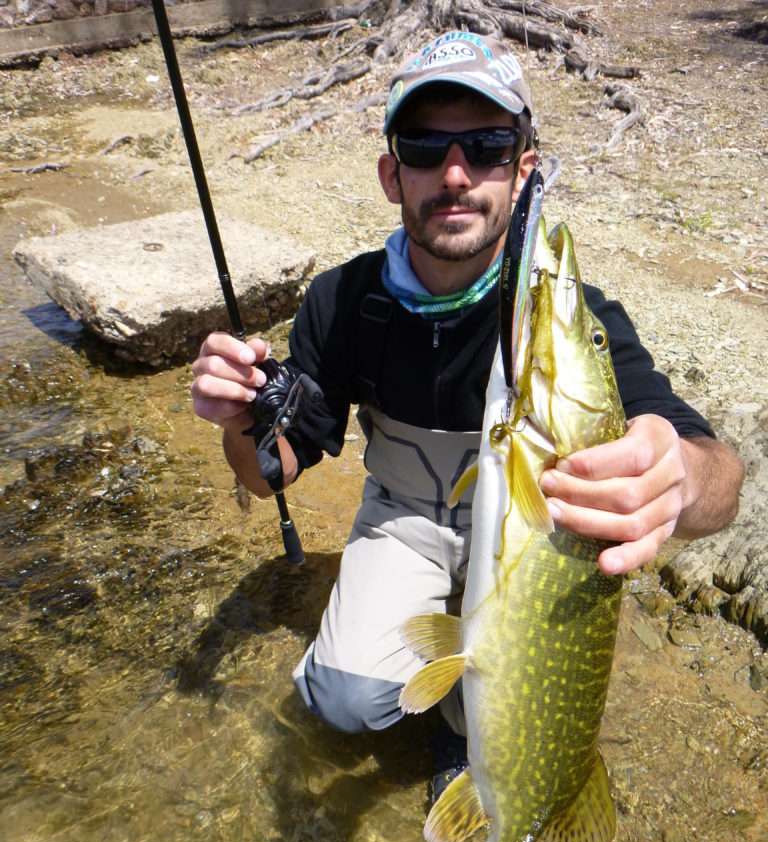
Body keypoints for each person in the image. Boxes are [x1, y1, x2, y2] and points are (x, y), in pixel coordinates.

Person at [191, 32, 744, 798]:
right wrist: (237, 422)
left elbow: (721, 484)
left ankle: (467, 717)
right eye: (424, 147)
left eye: (485, 146)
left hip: (527, 545)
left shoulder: (575, 325)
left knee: (503, 712)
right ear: (393, 175)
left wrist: (681, 477)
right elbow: (270, 473)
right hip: (404, 520)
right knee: (339, 702)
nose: (455, 174)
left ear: (520, 173)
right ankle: (442, 667)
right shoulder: (343, 303)